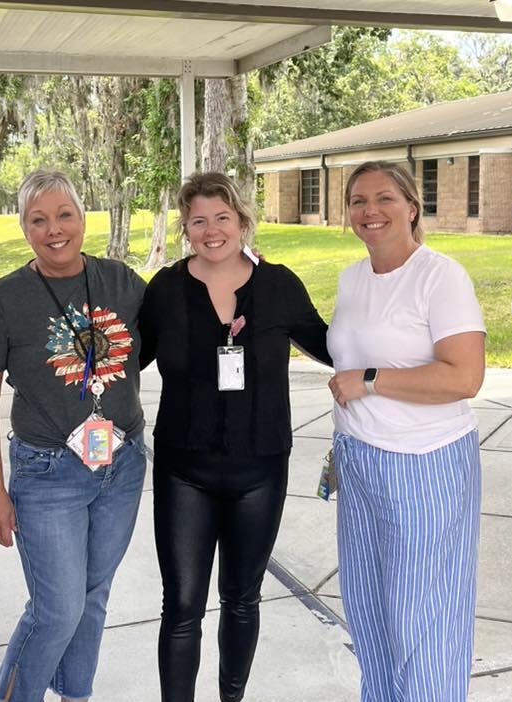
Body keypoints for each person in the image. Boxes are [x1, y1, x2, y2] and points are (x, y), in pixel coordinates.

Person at [139, 172, 331, 702]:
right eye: (198, 220)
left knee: (242, 599)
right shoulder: (166, 289)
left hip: (260, 467)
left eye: (222, 217)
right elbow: (126, 358)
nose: (211, 230)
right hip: (185, 471)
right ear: (186, 229)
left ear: (243, 222)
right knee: (181, 606)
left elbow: (331, 344)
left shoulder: (279, 286)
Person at [0, 169, 147, 702]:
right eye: (38, 220)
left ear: (83, 216)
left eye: (64, 215)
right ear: (23, 228)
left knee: (92, 597)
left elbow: (173, 337)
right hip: (46, 473)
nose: (54, 230)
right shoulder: (6, 298)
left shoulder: (123, 283)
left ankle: (75, 693)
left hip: (122, 464)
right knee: (57, 608)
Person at [327, 161, 486, 701]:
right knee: (369, 613)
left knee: (424, 618)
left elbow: (464, 377)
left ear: (412, 208)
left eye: (385, 199)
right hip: (358, 460)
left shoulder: (439, 276)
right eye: (358, 201)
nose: (370, 211)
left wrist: (369, 381)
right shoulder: (353, 278)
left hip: (424, 462)